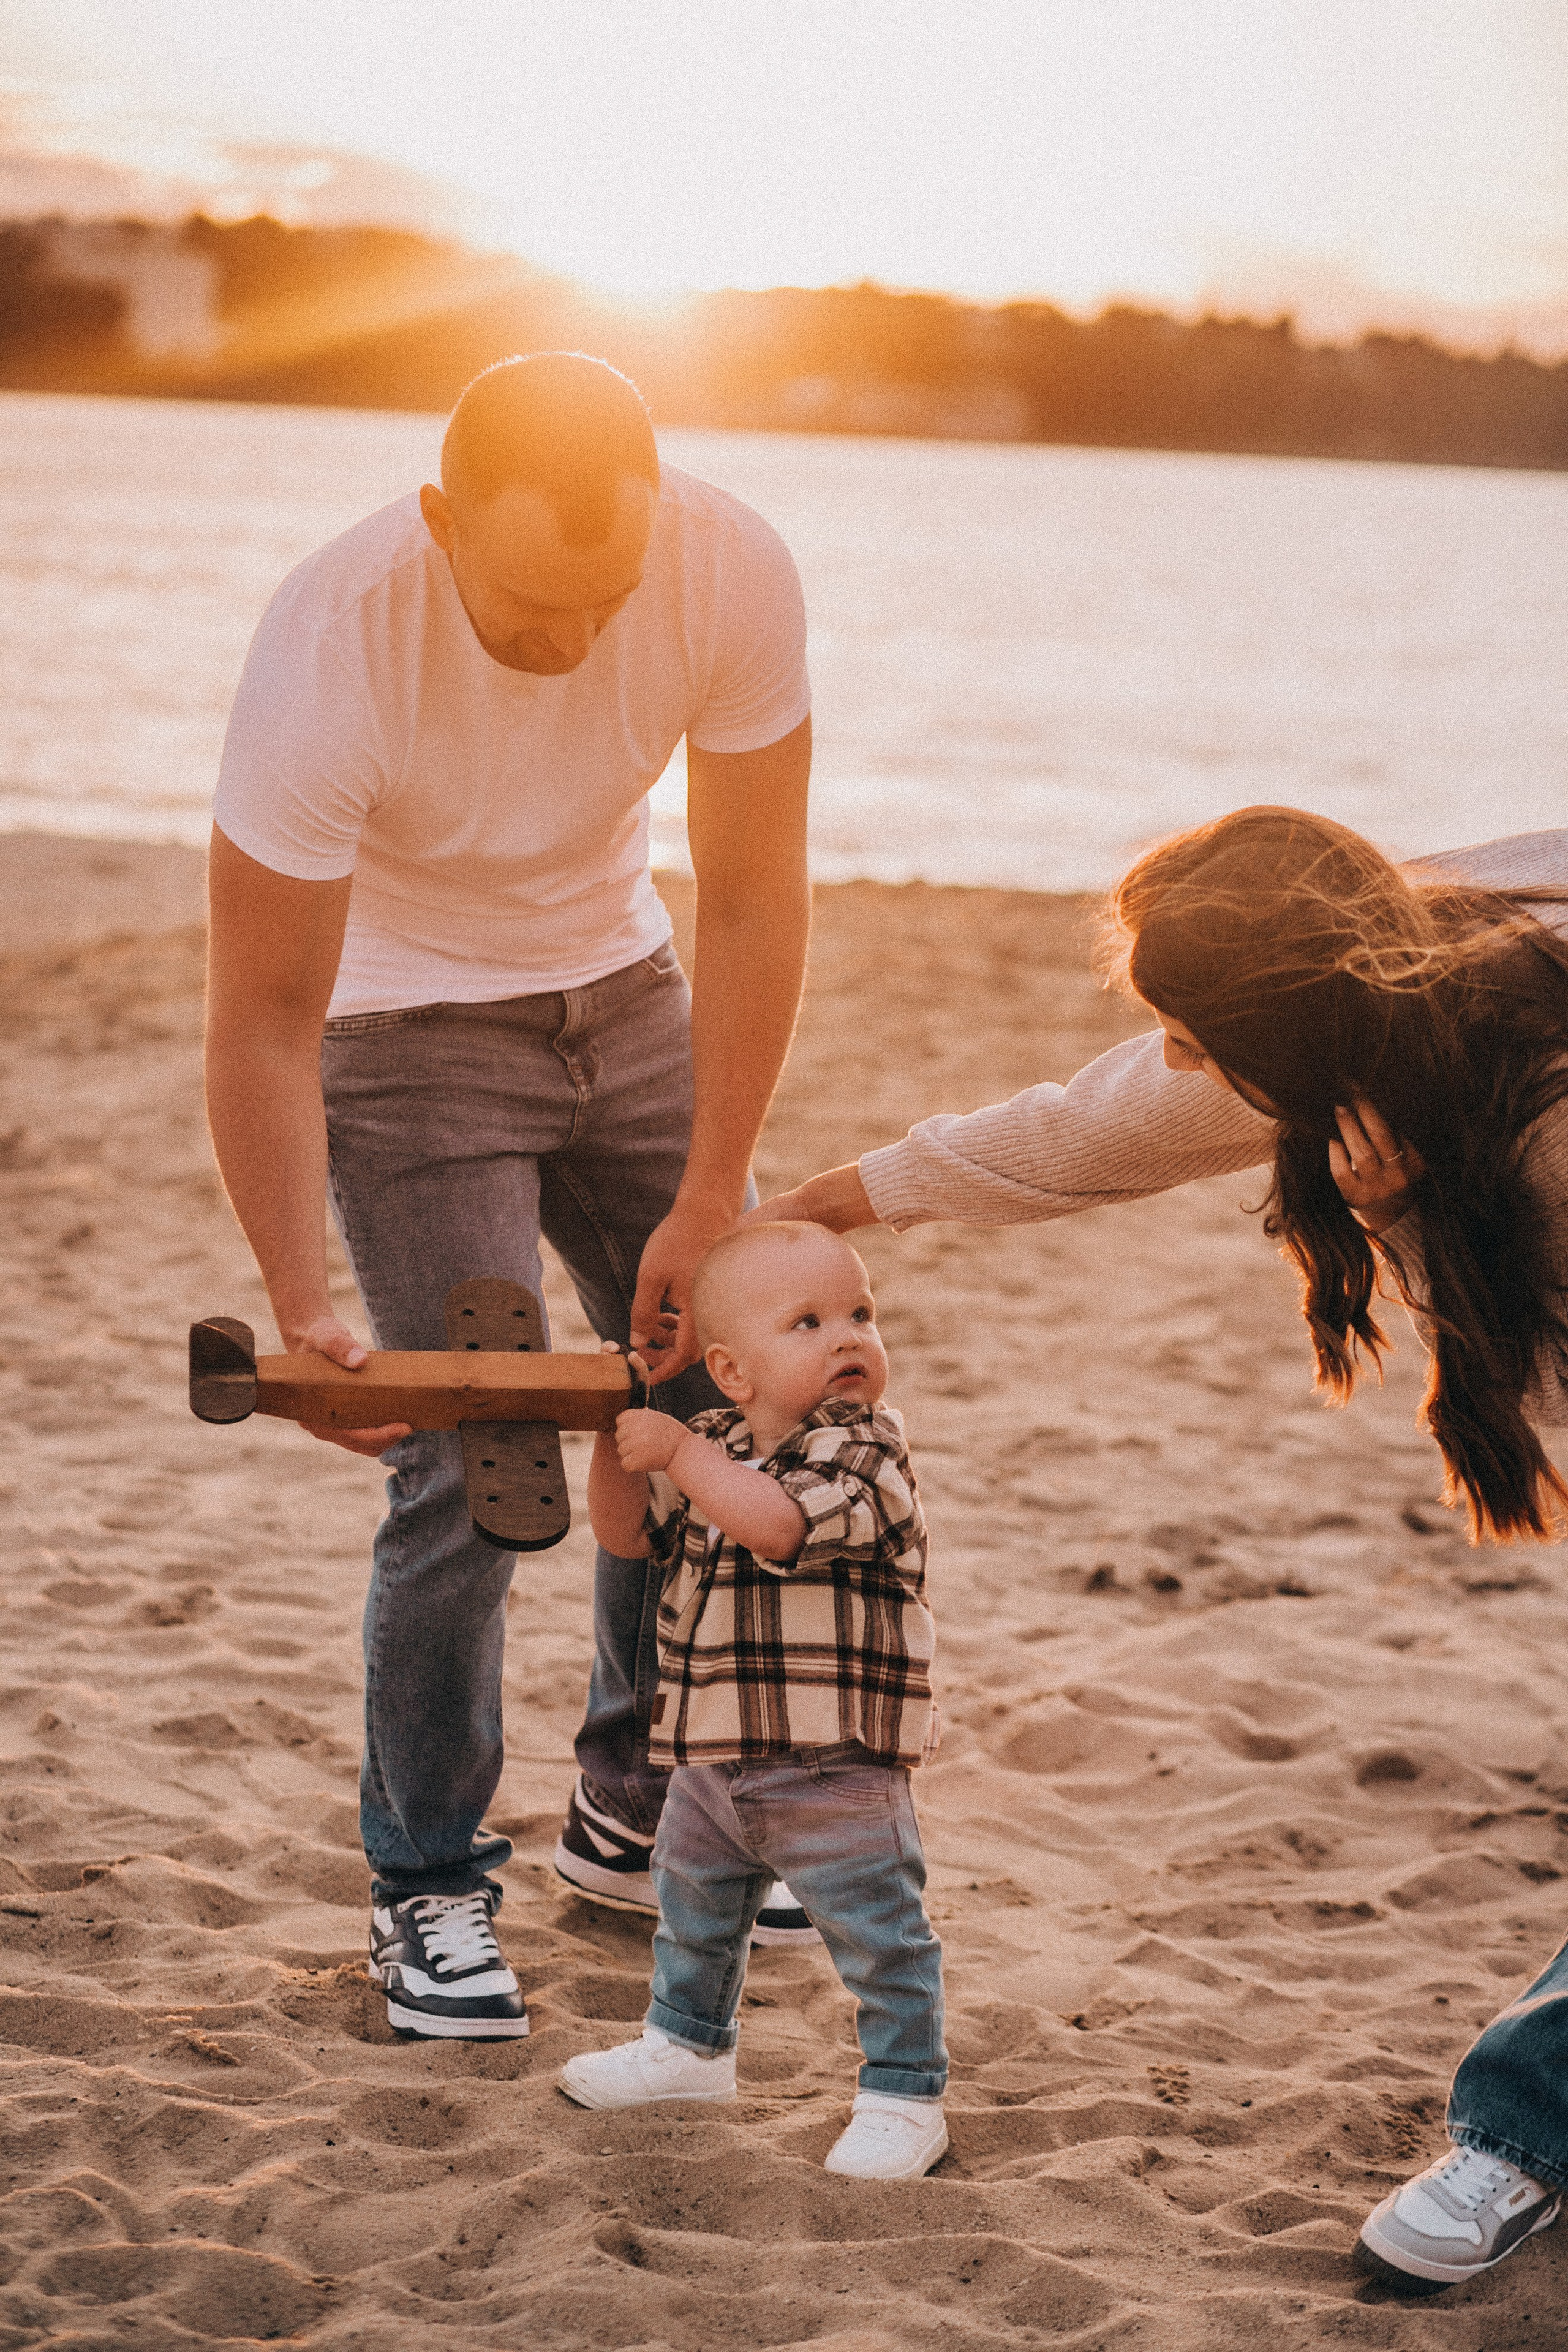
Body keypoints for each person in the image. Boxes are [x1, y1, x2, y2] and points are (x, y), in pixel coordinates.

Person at [752, 808, 1568, 2279]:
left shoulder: (1540, 1114)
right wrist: (836, 1199)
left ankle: (1519, 2135)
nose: (1185, 1060)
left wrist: (1407, 1231)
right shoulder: (1388, 963)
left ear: (1292, 1027)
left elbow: (1541, 1382)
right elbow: (1113, 1117)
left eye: (1202, 1033)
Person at [205, 352, 817, 2041]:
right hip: (403, 1029)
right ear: (440, 522)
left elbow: (757, 896)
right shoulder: (337, 643)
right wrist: (300, 1300)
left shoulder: (729, 566)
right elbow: (261, 1013)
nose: (575, 647)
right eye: (535, 608)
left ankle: (630, 1806)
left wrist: (710, 1195)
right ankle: (424, 1883)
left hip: (628, 995)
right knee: (481, 1460)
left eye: (606, 599)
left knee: (717, 1400)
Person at [559, 1221, 949, 2181]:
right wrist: (629, 1431)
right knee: (693, 1915)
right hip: (712, 1758)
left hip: (836, 1765)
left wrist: (681, 1457)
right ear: (732, 1373)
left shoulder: (868, 1455)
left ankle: (906, 2093)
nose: (848, 1337)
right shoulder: (716, 1445)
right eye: (808, 1322)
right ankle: (687, 2049)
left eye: (861, 1313)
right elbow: (622, 1534)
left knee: (880, 1939)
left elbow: (776, 1526)